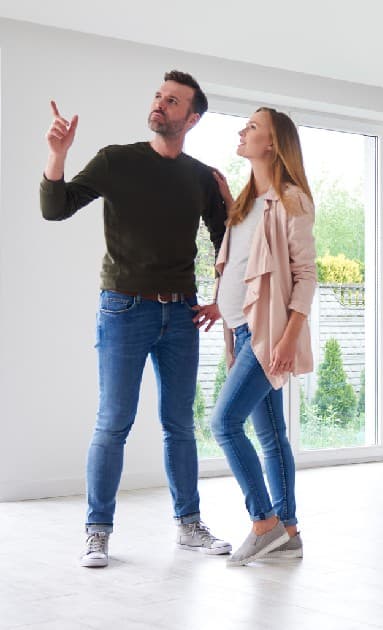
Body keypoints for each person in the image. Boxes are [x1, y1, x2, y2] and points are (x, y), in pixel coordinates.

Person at [40, 70, 232, 568]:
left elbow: (227, 242)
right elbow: (55, 208)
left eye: (173, 102)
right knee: (113, 422)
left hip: (183, 314)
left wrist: (220, 299)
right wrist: (57, 155)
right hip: (124, 309)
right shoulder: (116, 160)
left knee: (179, 425)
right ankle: (97, 531)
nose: (160, 105)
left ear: (191, 118)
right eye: (158, 97)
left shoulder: (201, 177)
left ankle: (189, 526)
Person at [192, 107, 315, 566]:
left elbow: (306, 277)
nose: (242, 132)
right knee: (270, 434)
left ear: (272, 144)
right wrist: (217, 304)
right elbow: (241, 270)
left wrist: (287, 337)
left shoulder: (291, 200)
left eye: (252, 127)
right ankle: (289, 531)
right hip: (240, 330)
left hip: (266, 336)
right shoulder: (246, 204)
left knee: (224, 423)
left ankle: (262, 523)